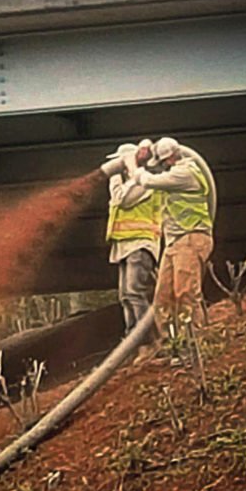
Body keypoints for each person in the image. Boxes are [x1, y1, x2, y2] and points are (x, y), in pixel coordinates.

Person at [123, 137, 214, 362]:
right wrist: (144, 145)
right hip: (175, 242)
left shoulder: (185, 173)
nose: (162, 164)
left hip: (191, 238)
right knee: (163, 298)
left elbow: (147, 180)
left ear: (170, 158)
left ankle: (195, 346)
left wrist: (131, 165)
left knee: (185, 293)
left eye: (163, 161)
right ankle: (173, 344)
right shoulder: (172, 173)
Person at [104, 139, 164, 362]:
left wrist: (117, 176)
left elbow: (123, 199)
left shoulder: (144, 182)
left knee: (134, 292)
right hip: (124, 245)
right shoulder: (130, 182)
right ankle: (133, 343)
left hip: (141, 243)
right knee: (125, 296)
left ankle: (151, 341)